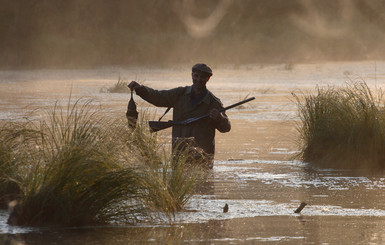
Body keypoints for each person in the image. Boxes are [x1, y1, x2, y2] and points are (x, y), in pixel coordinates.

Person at [128, 63, 231, 168]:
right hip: (179, 155)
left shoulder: (214, 103)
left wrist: (220, 119)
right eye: (196, 76)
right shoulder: (179, 94)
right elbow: (158, 97)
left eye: (203, 77)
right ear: (192, 75)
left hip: (202, 159)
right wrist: (140, 89)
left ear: (208, 78)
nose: (199, 79)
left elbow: (226, 128)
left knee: (203, 183)